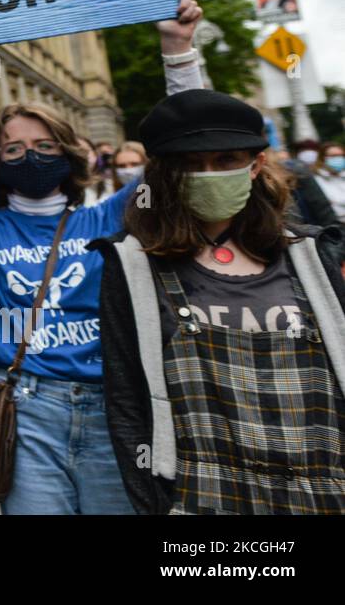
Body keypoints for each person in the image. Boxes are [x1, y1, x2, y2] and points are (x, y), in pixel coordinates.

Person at [0, 0, 205, 514]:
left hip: (112, 409)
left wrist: (178, 50)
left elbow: (184, 157)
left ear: (68, 154)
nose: (31, 156)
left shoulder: (110, 216)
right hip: (23, 411)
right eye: (15, 148)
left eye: (45, 146)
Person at [99, 89, 345, 514]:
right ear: (163, 174)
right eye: (190, 166)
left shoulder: (311, 255)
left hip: (325, 490)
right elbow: (126, 403)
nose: (208, 174)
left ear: (256, 165)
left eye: (226, 160)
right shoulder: (133, 266)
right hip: (204, 497)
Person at [315, 143, 345, 223]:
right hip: (335, 224)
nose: (339, 158)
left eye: (341, 155)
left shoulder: (343, 175)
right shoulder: (317, 179)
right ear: (323, 158)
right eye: (333, 156)